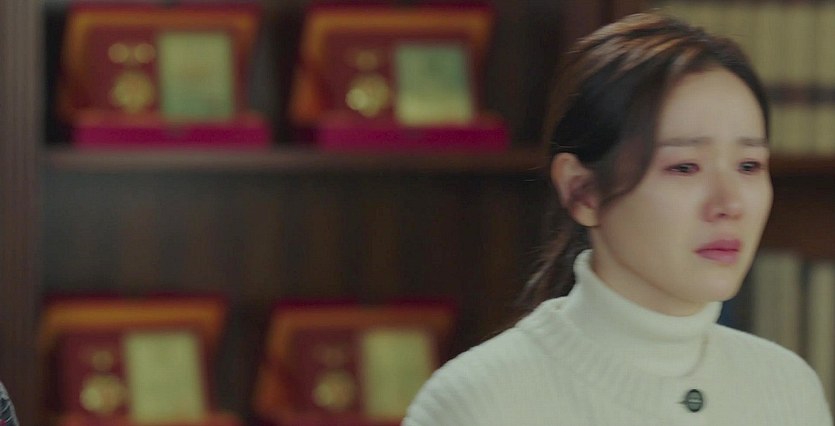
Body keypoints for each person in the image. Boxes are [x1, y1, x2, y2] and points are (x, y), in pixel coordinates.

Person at [403, 12, 832, 426]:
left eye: (749, 166)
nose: (730, 203)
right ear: (582, 191)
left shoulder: (787, 389)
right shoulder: (477, 404)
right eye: (685, 167)